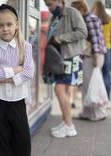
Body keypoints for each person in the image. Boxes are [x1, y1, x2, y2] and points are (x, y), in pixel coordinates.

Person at [0, 4, 47, 156]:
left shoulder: (25, 47)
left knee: (22, 137)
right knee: (2, 136)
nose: (4, 29)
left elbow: (29, 72)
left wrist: (9, 76)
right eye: (0, 25)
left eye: (8, 24)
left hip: (18, 99)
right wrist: (17, 70)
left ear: (17, 25)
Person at [44, 0, 87, 138]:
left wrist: (61, 38)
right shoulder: (55, 16)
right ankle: (66, 122)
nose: (49, 7)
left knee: (59, 90)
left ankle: (69, 126)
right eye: (46, 4)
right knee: (64, 92)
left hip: (70, 58)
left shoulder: (72, 12)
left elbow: (83, 32)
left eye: (50, 4)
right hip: (60, 58)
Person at [71, 0, 108, 121]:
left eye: (75, 12)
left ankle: (96, 113)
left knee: (92, 86)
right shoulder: (88, 19)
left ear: (81, 9)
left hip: (92, 56)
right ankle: (87, 112)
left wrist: (96, 57)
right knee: (87, 86)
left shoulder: (90, 19)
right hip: (89, 56)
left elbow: (96, 40)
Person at [92, 0, 111, 101]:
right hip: (107, 48)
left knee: (95, 73)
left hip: (95, 49)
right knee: (106, 73)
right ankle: (107, 99)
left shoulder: (92, 18)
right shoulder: (109, 19)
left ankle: (96, 98)